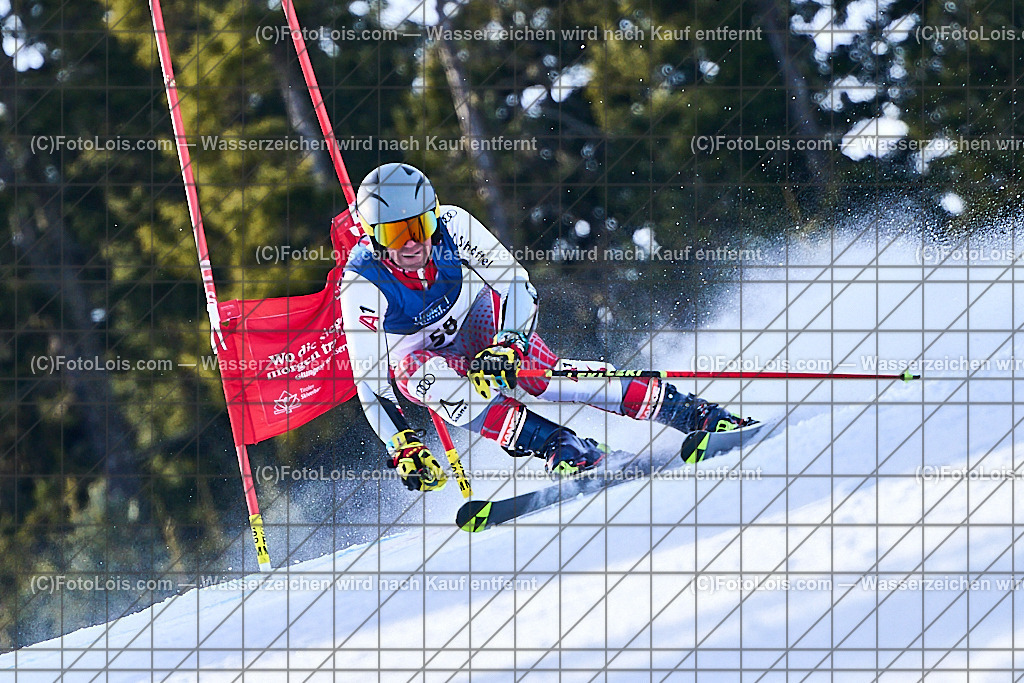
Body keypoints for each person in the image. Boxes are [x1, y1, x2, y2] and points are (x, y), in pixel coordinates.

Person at [340, 162, 749, 492]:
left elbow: (515, 284)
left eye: (420, 227)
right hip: (421, 356)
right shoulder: (362, 284)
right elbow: (371, 382)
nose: (413, 243)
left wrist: (509, 344)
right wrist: (403, 445)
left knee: (543, 380)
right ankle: (563, 448)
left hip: (479, 322)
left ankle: (692, 412)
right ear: (373, 236)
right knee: (423, 379)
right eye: (396, 233)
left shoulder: (454, 225)